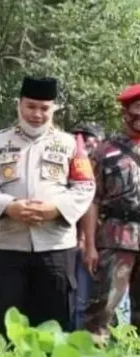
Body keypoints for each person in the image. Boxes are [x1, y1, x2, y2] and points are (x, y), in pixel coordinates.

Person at [0, 76, 95, 338]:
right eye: (30, 106)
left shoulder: (70, 145)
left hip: (56, 250)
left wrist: (55, 209)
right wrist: (9, 206)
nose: (37, 114)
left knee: (53, 325)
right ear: (19, 105)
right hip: (9, 248)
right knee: (1, 324)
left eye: (44, 108)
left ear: (54, 109)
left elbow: (85, 187)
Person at [82, 84, 140, 342]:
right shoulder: (105, 152)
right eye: (137, 110)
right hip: (117, 238)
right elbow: (92, 201)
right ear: (126, 113)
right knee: (102, 310)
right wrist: (89, 244)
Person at [70, 123, 104, 330]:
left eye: (87, 137)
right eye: (77, 137)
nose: (82, 141)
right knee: (74, 299)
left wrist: (86, 241)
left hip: (102, 244)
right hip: (68, 243)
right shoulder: (67, 167)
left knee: (93, 301)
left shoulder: (105, 165)